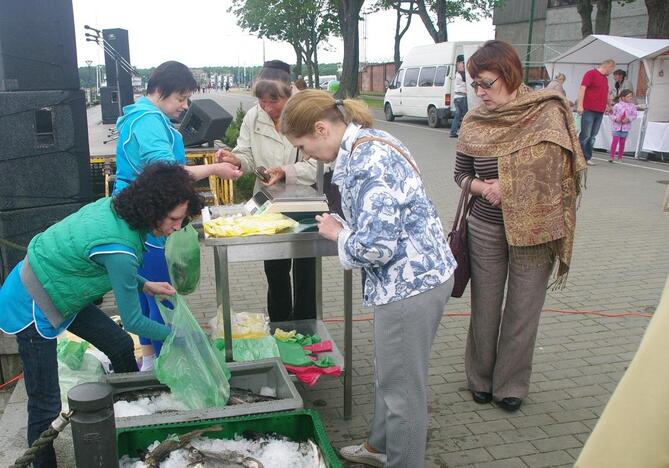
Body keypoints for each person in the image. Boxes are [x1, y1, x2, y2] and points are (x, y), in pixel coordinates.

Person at [281, 89, 456, 468]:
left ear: (321, 128)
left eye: (303, 145)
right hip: (418, 275)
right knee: (390, 374)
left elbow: (378, 247)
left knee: (403, 392)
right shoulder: (368, 140)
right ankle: (380, 446)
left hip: (409, 285)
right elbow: (385, 219)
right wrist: (348, 226)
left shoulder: (366, 160)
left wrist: (337, 234)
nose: (305, 155)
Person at [0, 163, 202, 468]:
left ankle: (132, 416)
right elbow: (134, 320)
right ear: (153, 209)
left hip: (65, 289)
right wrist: (179, 335)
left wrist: (144, 284)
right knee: (45, 404)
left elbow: (104, 260)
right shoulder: (120, 247)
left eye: (182, 219)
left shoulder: (121, 211)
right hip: (33, 299)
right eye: (174, 219)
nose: (177, 226)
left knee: (120, 345)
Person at [454, 40, 586, 413]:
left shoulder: (545, 113)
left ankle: (510, 384)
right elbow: (461, 174)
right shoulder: (473, 120)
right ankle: (479, 378)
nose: (480, 93)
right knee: (486, 306)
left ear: (509, 74)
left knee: (523, 309)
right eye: (474, 85)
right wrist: (484, 188)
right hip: (485, 227)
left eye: (487, 83)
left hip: (536, 229)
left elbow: (562, 172)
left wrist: (508, 187)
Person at [113, 60, 241, 369]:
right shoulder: (148, 120)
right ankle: (167, 362)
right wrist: (215, 169)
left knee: (144, 290)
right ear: (159, 90)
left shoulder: (141, 117)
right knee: (160, 291)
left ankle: (150, 360)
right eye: (180, 98)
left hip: (136, 212)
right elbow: (168, 172)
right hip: (150, 215)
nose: (184, 106)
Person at [216, 60, 319, 323]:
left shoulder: (307, 115)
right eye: (262, 102)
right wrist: (235, 159)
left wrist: (285, 171)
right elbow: (246, 153)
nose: (267, 108)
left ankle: (306, 325)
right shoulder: (254, 116)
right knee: (275, 267)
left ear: (288, 94)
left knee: (306, 269)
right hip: (268, 202)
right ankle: (281, 325)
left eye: (273, 102)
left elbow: (319, 164)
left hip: (305, 203)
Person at [577, 58, 616, 166]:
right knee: (586, 134)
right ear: (608, 66)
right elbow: (582, 88)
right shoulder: (591, 73)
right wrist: (580, 105)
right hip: (589, 108)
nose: (611, 72)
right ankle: (579, 156)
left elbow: (606, 92)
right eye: (612, 69)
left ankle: (587, 156)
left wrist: (609, 104)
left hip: (599, 110)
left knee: (593, 135)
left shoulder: (604, 79)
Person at [608, 89, 637, 162]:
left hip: (625, 127)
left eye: (631, 96)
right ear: (623, 97)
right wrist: (615, 119)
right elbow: (611, 114)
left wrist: (628, 119)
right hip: (616, 127)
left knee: (622, 142)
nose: (630, 98)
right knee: (615, 141)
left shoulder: (632, 106)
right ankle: (612, 156)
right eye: (628, 96)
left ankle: (620, 157)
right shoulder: (617, 105)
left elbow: (634, 115)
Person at [450, 55, 469, 138]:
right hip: (462, 98)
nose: (464, 64)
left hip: (456, 98)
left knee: (457, 116)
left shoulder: (457, 73)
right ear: (460, 63)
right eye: (463, 63)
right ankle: (465, 133)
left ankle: (453, 132)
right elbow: (469, 82)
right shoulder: (462, 74)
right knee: (466, 116)